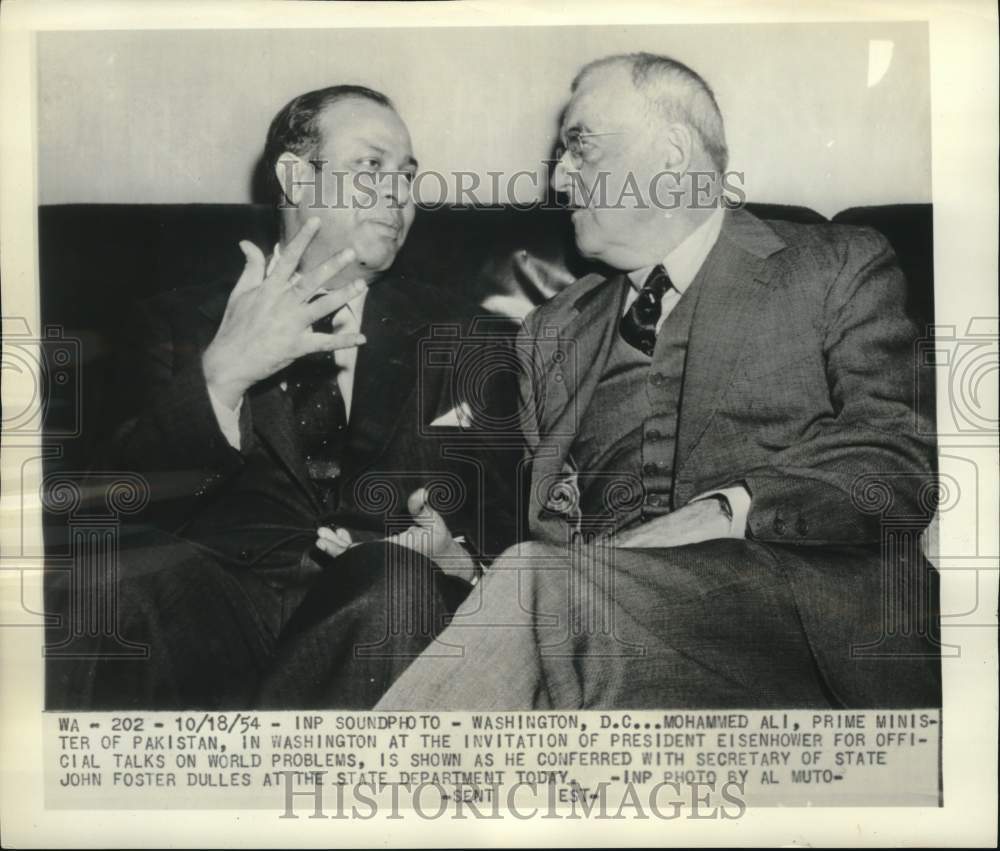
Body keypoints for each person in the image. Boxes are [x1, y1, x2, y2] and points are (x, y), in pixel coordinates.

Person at [376, 53, 940, 710]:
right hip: (615, 642)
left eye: (578, 146)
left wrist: (719, 513)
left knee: (532, 588)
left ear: (671, 151)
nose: (559, 178)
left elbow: (896, 453)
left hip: (801, 632)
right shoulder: (551, 330)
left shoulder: (836, 265)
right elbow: (552, 543)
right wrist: (467, 566)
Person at [47, 85, 518, 709]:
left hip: (376, 624)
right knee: (108, 585)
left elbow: (514, 514)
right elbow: (99, 505)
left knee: (399, 585)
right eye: (370, 168)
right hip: (207, 622)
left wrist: (458, 558)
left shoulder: (468, 337)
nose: (398, 196)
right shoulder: (176, 324)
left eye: (407, 177)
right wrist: (221, 377)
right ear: (296, 178)